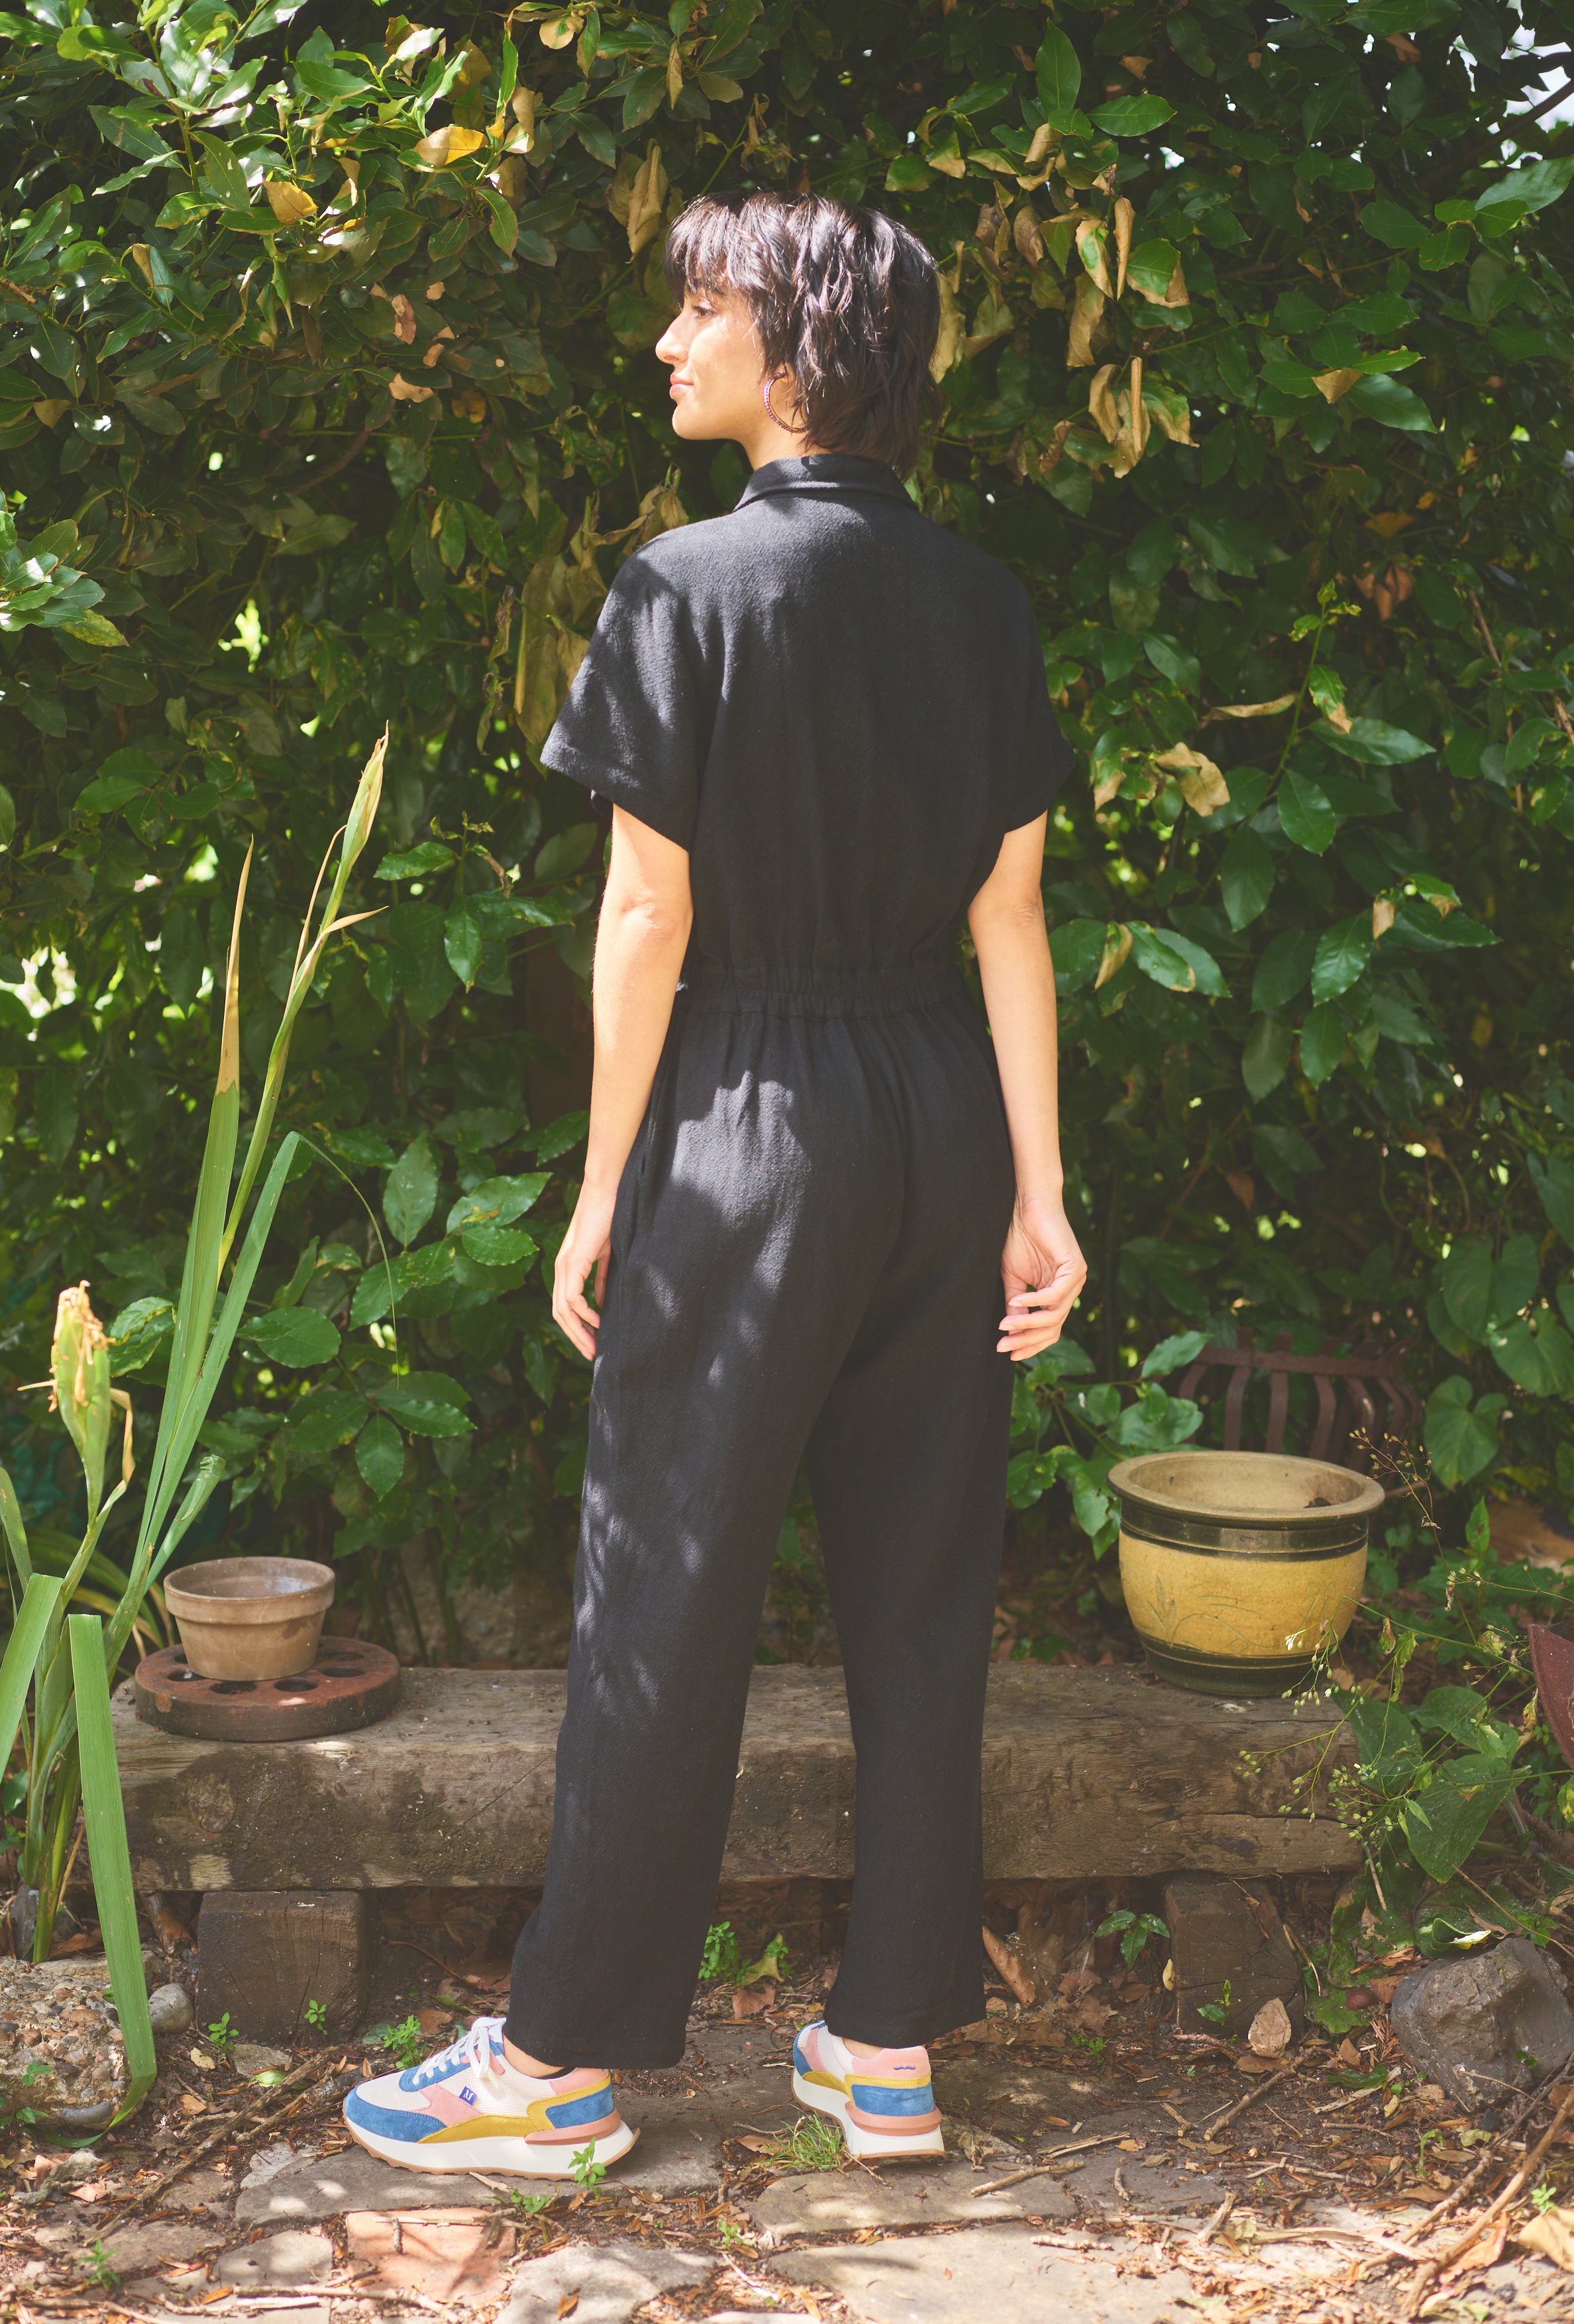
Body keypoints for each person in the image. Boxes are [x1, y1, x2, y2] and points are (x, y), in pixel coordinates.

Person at [344, 191, 1087, 2178]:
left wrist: (605, 1185)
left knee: (663, 1582)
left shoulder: (682, 588)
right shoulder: (983, 600)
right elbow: (1011, 917)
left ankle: (559, 2070)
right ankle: (886, 2051)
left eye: (703, 309)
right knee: (923, 1590)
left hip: (755, 1114)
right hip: (938, 1111)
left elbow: (644, 916)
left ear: (805, 346)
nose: (671, 345)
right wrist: (1039, 1189)